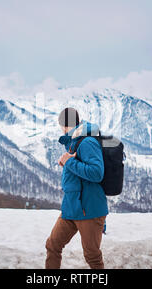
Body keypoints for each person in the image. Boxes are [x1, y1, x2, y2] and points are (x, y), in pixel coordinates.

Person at [45, 107, 108, 269]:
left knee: (92, 256)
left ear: (63, 125)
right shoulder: (75, 142)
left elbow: (96, 173)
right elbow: (78, 172)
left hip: (89, 210)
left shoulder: (87, 142)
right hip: (71, 208)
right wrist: (68, 163)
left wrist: (69, 162)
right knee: (52, 245)